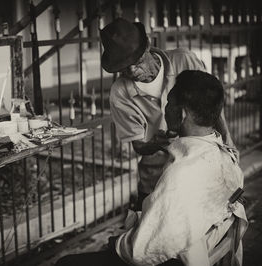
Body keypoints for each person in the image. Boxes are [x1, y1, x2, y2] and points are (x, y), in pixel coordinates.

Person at [55, 70, 247, 266]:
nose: (165, 108)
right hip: (202, 239)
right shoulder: (225, 154)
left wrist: (117, 244)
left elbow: (141, 252)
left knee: (66, 263)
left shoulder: (181, 175)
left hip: (173, 258)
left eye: (169, 103)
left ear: (181, 115)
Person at [100, 18, 234, 208]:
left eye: (136, 61)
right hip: (157, 181)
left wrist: (228, 140)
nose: (131, 69)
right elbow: (138, 145)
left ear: (146, 45)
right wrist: (155, 143)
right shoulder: (120, 93)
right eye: (123, 66)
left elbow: (212, 103)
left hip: (203, 167)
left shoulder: (184, 60)